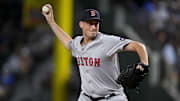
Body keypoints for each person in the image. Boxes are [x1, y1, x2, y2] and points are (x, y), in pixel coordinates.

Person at [42, 4, 149, 101]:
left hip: (112, 97)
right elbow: (68, 43)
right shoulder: (78, 43)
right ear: (81, 25)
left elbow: (139, 46)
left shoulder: (107, 41)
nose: (93, 27)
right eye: (90, 23)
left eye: (96, 23)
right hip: (86, 97)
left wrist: (143, 63)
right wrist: (51, 22)